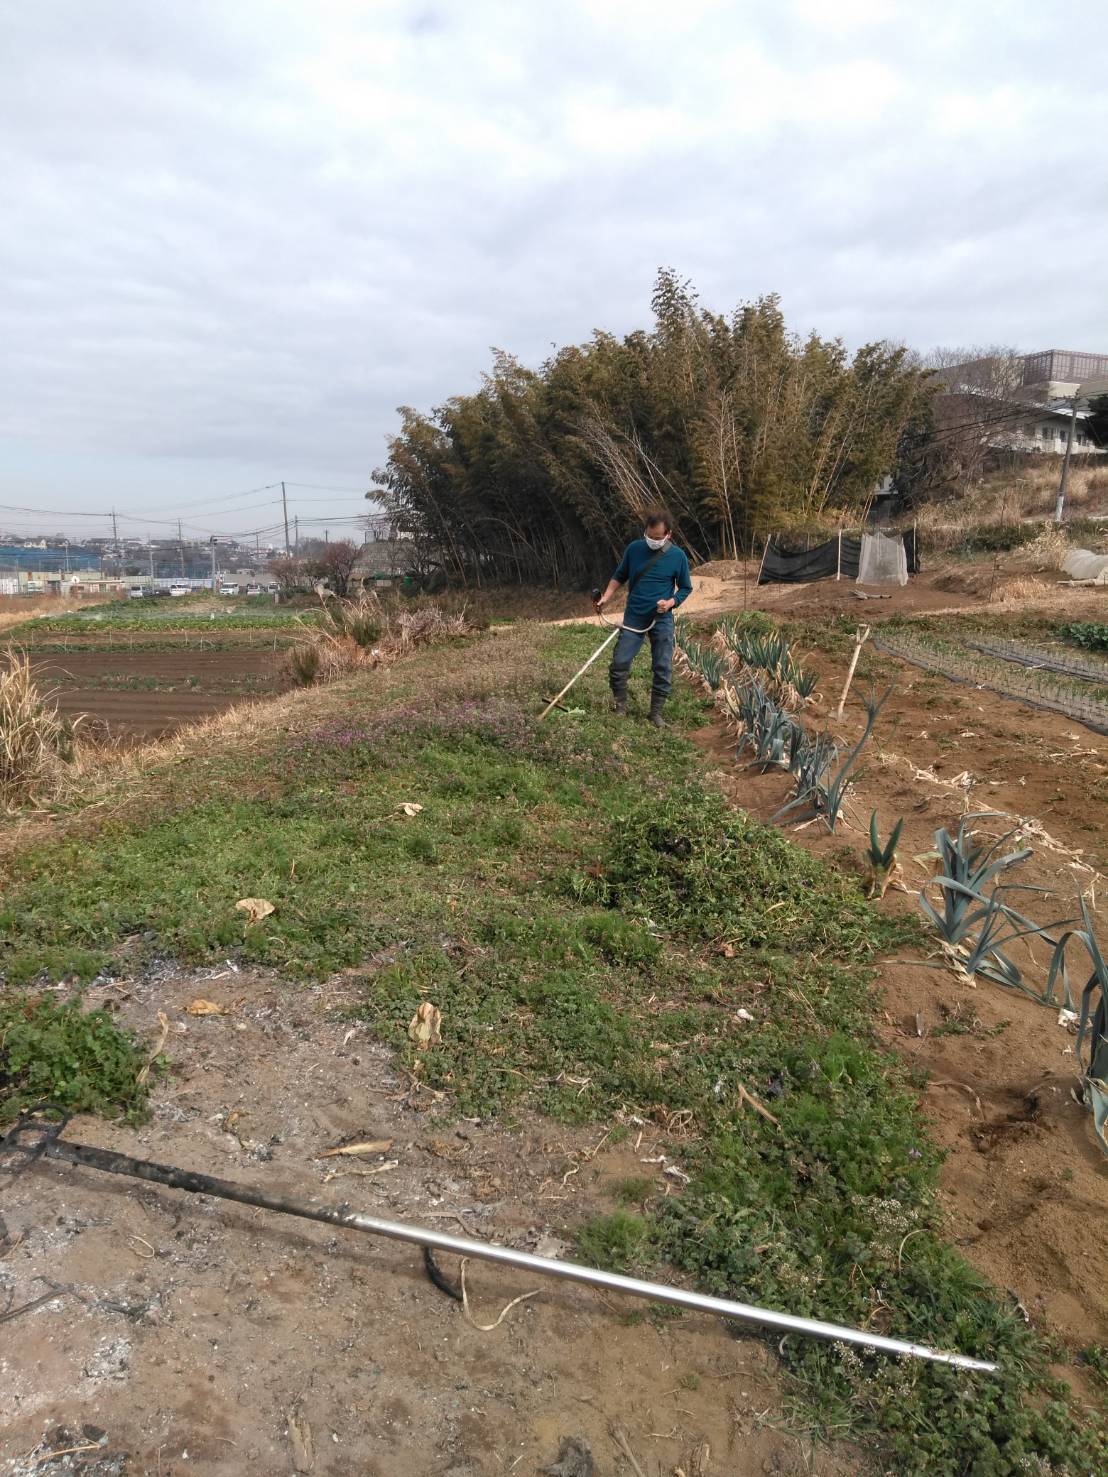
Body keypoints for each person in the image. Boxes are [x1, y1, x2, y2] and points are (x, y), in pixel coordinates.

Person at [594, 510, 693, 727]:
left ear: (668, 535)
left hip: (661, 618)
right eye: (650, 536)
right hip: (634, 616)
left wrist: (670, 603)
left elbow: (686, 588)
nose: (653, 541)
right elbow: (620, 575)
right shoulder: (635, 549)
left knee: (662, 666)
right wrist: (606, 597)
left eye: (658, 538)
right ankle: (620, 705)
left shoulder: (678, 556)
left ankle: (655, 713)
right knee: (619, 662)